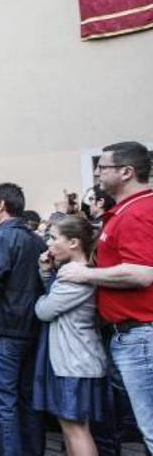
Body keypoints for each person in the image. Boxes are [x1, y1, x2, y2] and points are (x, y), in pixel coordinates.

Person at [59, 141, 153, 451]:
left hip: (140, 334)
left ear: (127, 172)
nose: (98, 172)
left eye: (104, 167)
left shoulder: (137, 212)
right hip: (131, 333)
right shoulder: (124, 211)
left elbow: (142, 273)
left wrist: (85, 274)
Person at [0, 183, 47, 456]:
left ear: (2, 205)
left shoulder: (2, 236)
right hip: (30, 327)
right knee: (27, 399)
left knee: (4, 402)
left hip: (3, 327)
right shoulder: (36, 239)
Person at [34, 215, 108, 456]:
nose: (49, 245)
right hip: (74, 360)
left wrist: (42, 298)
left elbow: (45, 310)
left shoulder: (73, 274)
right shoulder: (74, 272)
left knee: (76, 429)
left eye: (54, 238)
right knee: (71, 428)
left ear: (74, 242)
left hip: (73, 362)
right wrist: (47, 275)